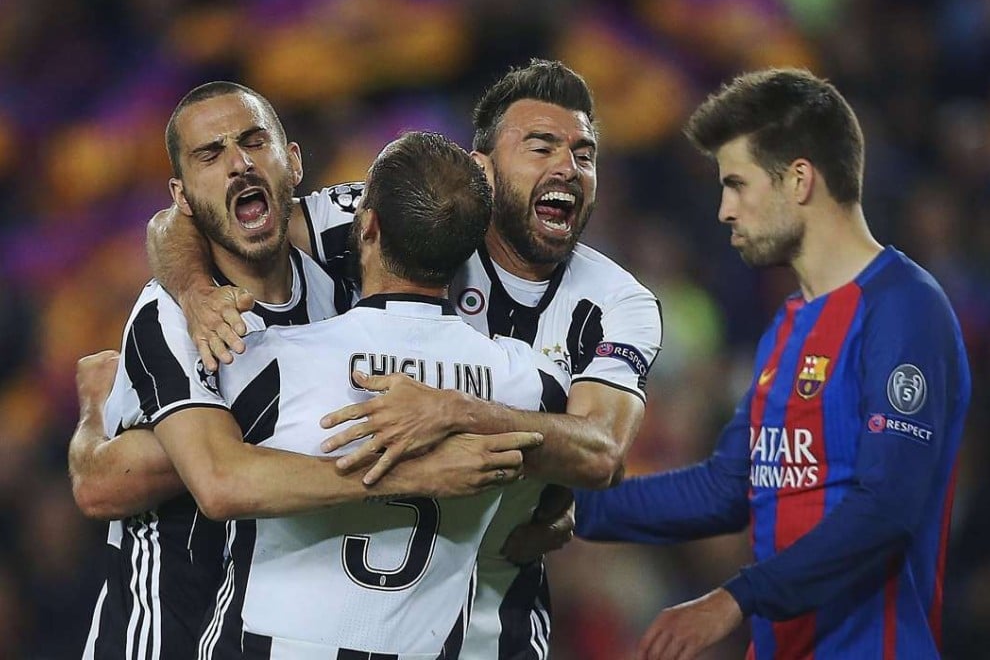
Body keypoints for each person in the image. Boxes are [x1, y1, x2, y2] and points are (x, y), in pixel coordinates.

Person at [149, 59, 664, 659]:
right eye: (540, 146)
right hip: (349, 604)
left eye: (584, 153)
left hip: (496, 622)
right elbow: (191, 221)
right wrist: (193, 295)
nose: (566, 168)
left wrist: (453, 411)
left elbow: (602, 452)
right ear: (483, 171)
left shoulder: (619, 302)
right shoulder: (418, 216)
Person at [70, 83, 535, 660]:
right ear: (183, 197)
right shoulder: (169, 314)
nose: (238, 164)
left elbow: (441, 198)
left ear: (292, 161)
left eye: (253, 141)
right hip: (165, 627)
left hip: (279, 626)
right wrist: (420, 467)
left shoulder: (336, 287)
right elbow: (163, 481)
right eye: (209, 156)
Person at [573, 68, 971, 660]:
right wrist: (569, 509)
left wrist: (733, 599)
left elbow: (887, 508)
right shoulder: (789, 322)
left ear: (799, 180)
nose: (724, 211)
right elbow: (728, 486)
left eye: (737, 184)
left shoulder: (904, 309)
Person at [193, 130, 568, 658]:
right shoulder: (529, 382)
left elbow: (190, 465)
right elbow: (560, 480)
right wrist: (556, 508)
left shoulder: (263, 357)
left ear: (367, 225)